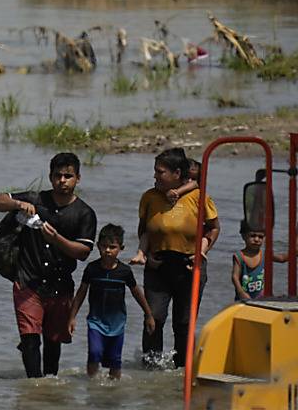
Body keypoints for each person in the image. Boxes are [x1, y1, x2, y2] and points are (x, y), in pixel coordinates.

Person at [0, 152, 97, 378]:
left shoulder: (84, 214)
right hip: (28, 281)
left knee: (53, 342)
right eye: (58, 176)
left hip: (61, 285)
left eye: (68, 176)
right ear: (50, 177)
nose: (62, 181)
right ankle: (33, 389)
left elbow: (84, 253)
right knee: (29, 339)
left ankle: (49, 387)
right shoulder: (35, 200)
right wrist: (18, 204)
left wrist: (57, 239)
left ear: (78, 178)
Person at [136, 147, 220, 368]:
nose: (155, 176)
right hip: (158, 266)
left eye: (160, 172)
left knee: (183, 324)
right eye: (155, 171)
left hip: (189, 268)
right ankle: (151, 368)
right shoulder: (150, 197)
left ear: (177, 174)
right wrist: (145, 254)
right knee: (154, 318)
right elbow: (144, 229)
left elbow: (213, 228)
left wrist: (202, 252)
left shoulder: (198, 197)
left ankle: (182, 369)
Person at [69, 224, 156, 379]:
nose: (107, 250)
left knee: (115, 360)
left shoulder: (124, 272)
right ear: (97, 246)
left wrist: (148, 314)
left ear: (120, 248)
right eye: (104, 246)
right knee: (94, 353)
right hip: (95, 322)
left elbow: (137, 293)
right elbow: (81, 293)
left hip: (117, 324)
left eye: (112, 247)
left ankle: (113, 390)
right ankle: (92, 384)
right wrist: (72, 317)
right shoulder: (92, 269)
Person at [130, 157, 201, 266]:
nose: (189, 182)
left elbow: (213, 228)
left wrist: (177, 192)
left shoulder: (197, 195)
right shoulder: (152, 195)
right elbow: (142, 227)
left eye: (192, 179)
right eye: (188, 178)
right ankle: (141, 254)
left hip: (186, 257)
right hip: (157, 254)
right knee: (147, 233)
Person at [232, 220, 289, 301]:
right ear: (243, 236)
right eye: (252, 236)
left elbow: (281, 258)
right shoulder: (240, 256)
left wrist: (295, 252)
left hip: (261, 297)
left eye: (260, 237)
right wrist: (241, 292)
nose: (256, 239)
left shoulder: (264, 255)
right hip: (244, 298)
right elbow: (235, 276)